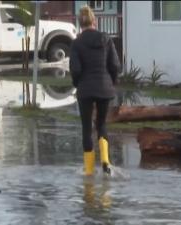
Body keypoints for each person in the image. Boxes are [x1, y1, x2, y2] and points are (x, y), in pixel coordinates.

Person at [69, 6, 121, 176]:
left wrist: (78, 84)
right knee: (101, 124)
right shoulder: (106, 39)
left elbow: (75, 70)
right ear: (95, 21)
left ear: (80, 23)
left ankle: (89, 171)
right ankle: (105, 161)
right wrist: (111, 82)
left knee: (86, 128)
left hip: (85, 89)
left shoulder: (77, 43)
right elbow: (115, 65)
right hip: (104, 87)